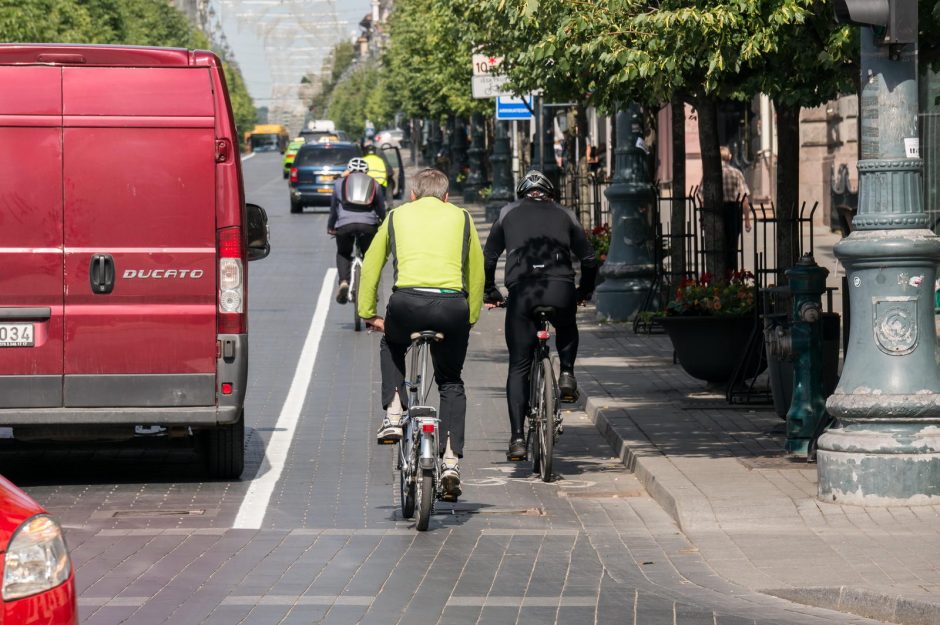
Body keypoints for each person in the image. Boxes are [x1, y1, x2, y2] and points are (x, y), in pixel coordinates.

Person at [358, 168, 484, 501]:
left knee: (391, 343)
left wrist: (368, 312)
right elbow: (476, 270)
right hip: (452, 306)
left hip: (407, 303)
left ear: (412, 194)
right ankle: (451, 461)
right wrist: (469, 317)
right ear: (446, 197)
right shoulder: (462, 218)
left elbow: (372, 262)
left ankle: (395, 412)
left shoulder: (397, 216)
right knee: (451, 381)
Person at [482, 170, 597, 461]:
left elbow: (489, 258)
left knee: (519, 366)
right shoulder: (566, 214)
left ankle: (518, 439)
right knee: (567, 325)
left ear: (522, 194)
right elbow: (589, 260)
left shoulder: (507, 212)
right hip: (560, 289)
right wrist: (583, 291)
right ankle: (567, 373)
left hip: (523, 293)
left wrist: (490, 291)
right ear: (550, 194)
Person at [329, 157, 387, 304]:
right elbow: (381, 208)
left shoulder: (338, 184)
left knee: (343, 252)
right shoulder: (375, 184)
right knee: (370, 256)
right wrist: (383, 224)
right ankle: (371, 290)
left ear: (349, 170)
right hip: (368, 225)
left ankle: (343, 282)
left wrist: (331, 227)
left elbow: (334, 210)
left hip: (344, 225)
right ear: (366, 171)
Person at [719, 145, 752, 271]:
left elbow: (701, 196)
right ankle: (731, 271)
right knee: (732, 245)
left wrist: (703, 218)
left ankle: (718, 273)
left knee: (717, 245)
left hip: (717, 211)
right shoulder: (736, 173)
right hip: (733, 212)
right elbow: (744, 198)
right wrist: (747, 220)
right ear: (730, 157)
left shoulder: (710, 174)